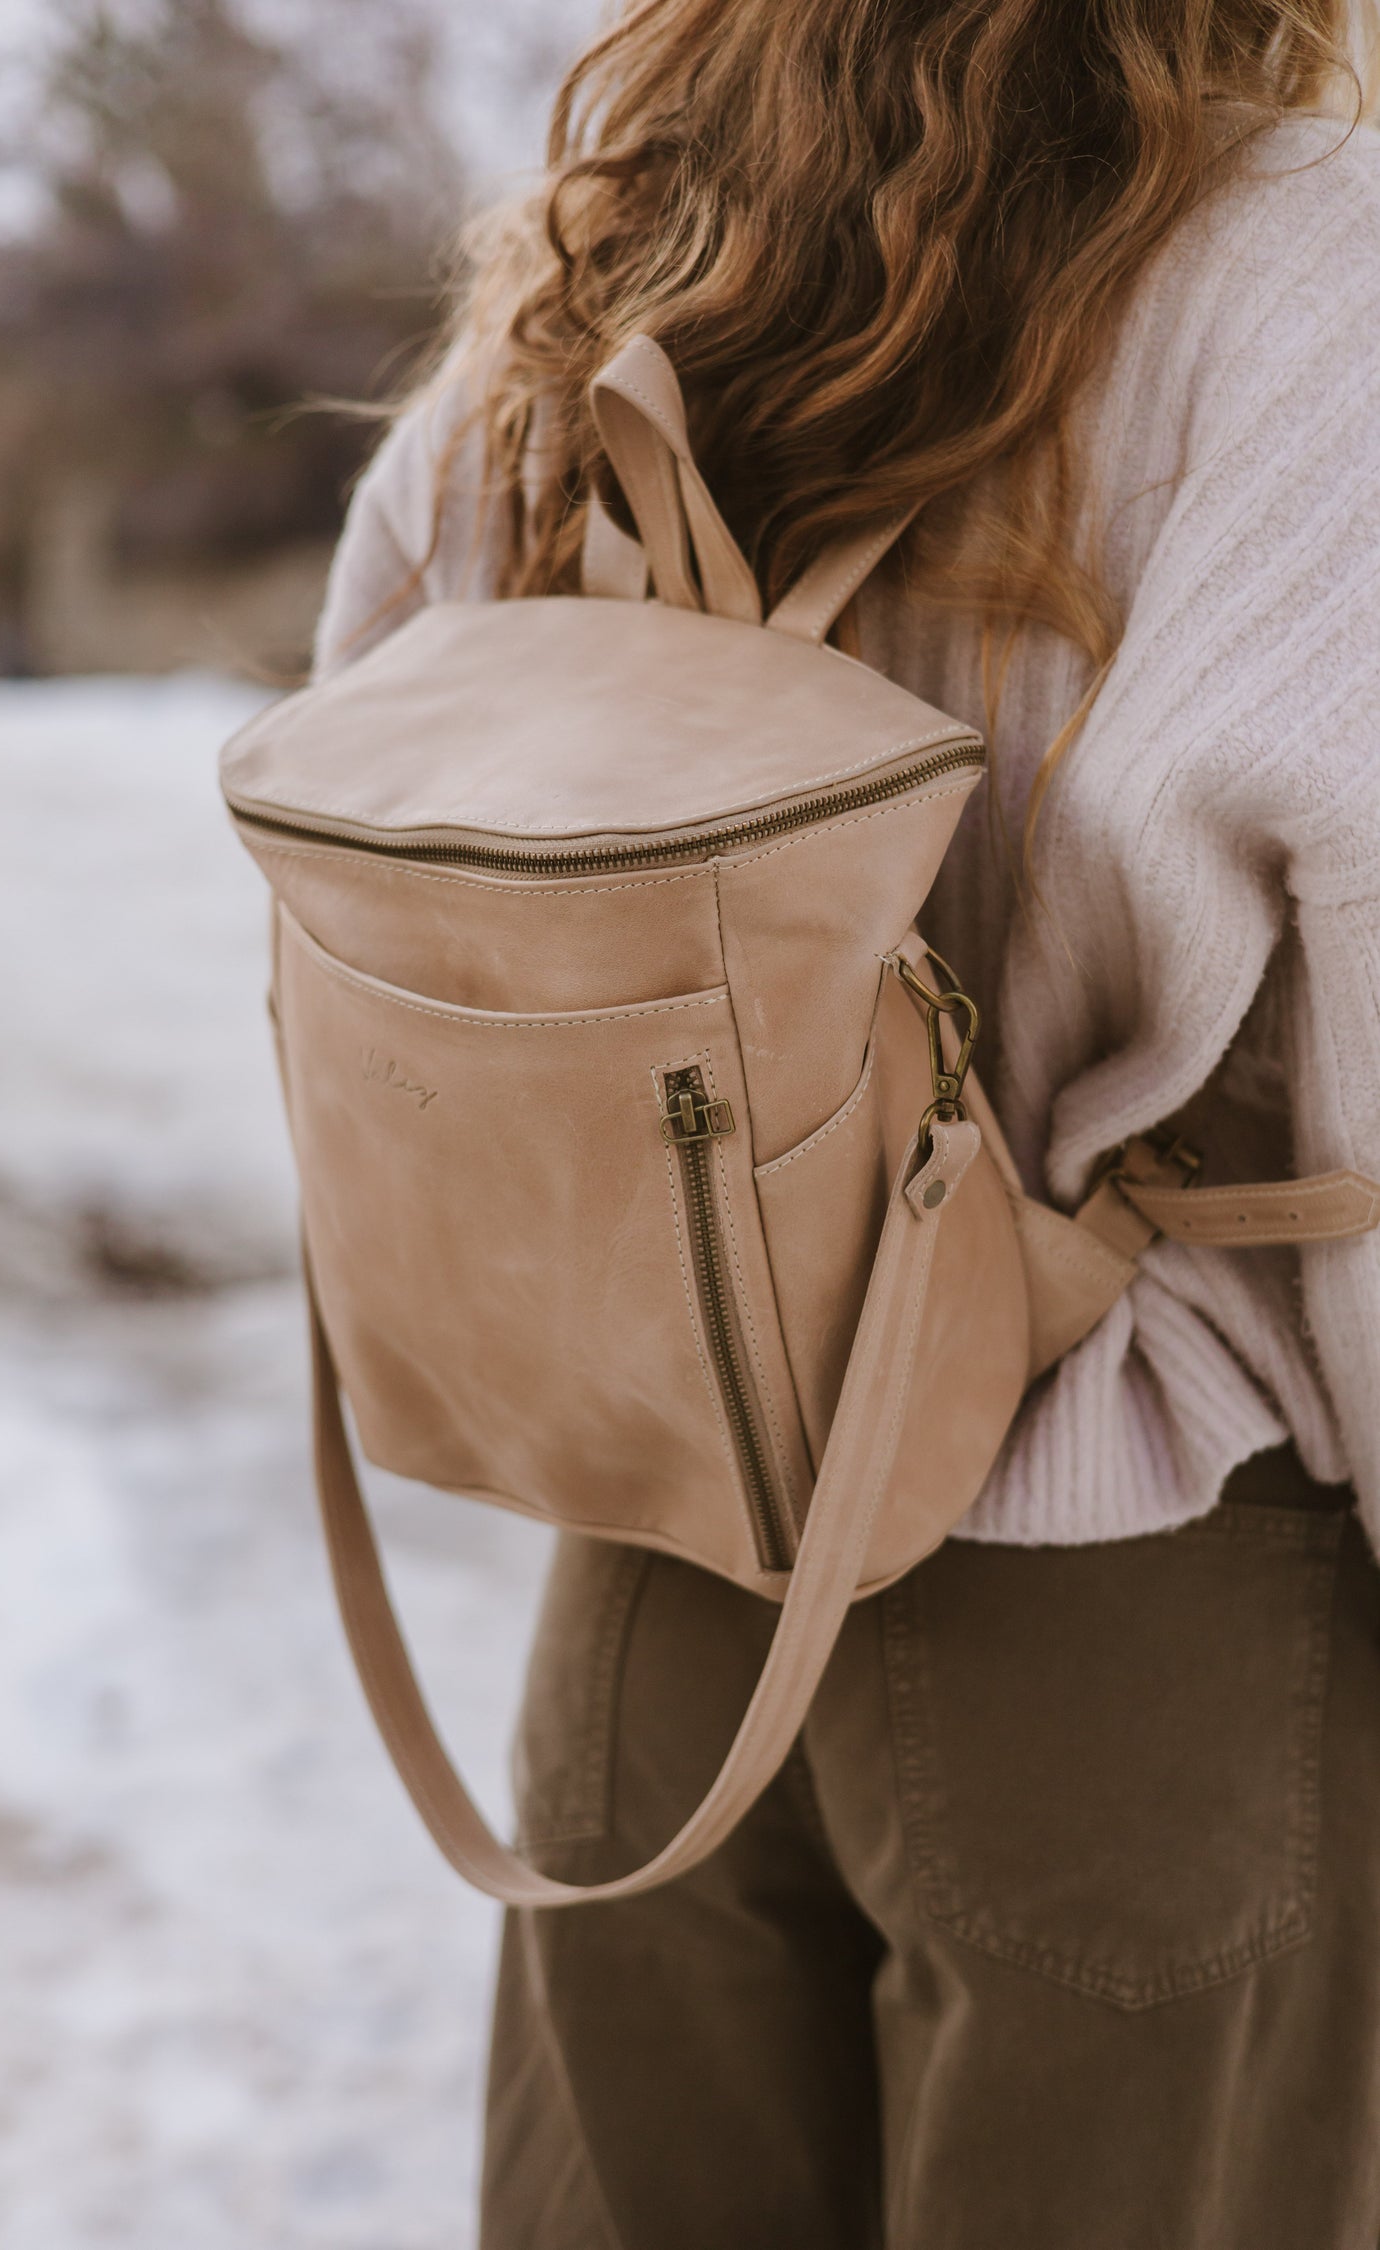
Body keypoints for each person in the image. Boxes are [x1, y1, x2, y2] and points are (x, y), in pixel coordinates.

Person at [312, 4, 1380, 2243]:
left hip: (663, 1595)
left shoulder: (596, 266)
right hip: (1137, 1626)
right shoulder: (1312, 279)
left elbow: (381, 770)